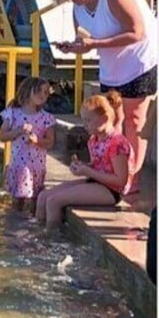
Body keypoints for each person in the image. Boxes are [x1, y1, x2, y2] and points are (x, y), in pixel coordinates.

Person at [51, 0, 157, 190]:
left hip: (139, 62)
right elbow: (85, 43)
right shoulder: (78, 9)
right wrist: (72, 47)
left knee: (134, 120)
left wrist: (96, 44)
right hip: (112, 67)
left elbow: (138, 32)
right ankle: (113, 171)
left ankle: (132, 177)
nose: (72, 2)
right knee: (112, 120)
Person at [35, 92, 134, 233]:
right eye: (83, 120)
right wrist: (82, 166)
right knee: (43, 196)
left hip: (112, 191)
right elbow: (97, 164)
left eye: (88, 120)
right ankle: (37, 232)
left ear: (104, 119)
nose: (84, 125)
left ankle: (51, 238)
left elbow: (120, 181)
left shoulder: (116, 144)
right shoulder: (94, 140)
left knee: (54, 201)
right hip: (96, 183)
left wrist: (89, 172)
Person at [0, 77, 56, 213]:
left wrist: (37, 141)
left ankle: (30, 223)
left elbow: (50, 142)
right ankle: (15, 223)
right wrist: (18, 131)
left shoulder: (46, 118)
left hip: (36, 167)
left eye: (46, 92)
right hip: (19, 164)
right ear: (27, 91)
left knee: (34, 200)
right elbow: (2, 136)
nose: (43, 95)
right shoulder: (13, 113)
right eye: (39, 91)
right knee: (18, 200)